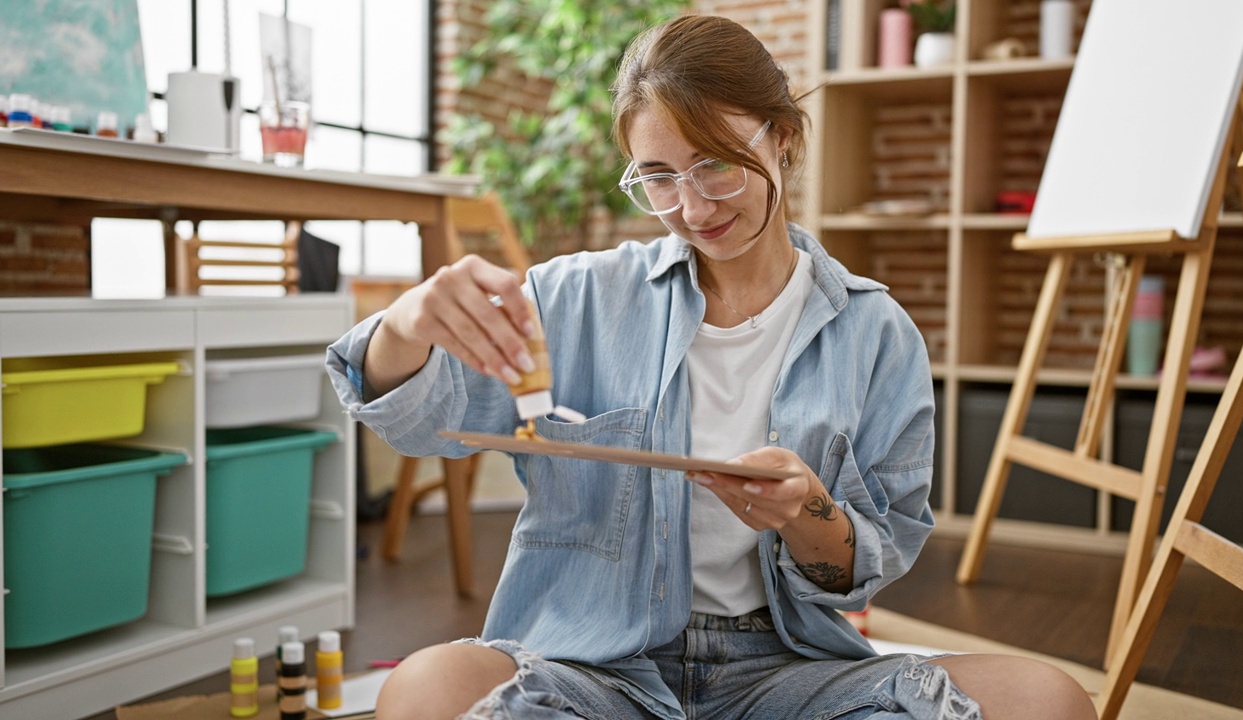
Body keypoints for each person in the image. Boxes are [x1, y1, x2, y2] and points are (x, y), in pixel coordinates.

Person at [326, 14, 1096, 720]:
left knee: (1045, 700)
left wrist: (807, 514)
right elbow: (424, 424)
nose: (692, 207)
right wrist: (406, 323)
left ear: (785, 138)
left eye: (716, 165)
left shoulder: (876, 335)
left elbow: (864, 568)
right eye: (658, 176)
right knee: (424, 689)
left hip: (785, 672)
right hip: (592, 666)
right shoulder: (577, 298)